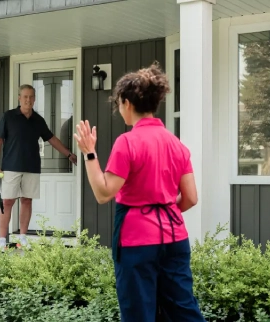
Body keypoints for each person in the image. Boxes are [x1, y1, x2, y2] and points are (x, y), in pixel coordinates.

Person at [74, 62, 205, 322]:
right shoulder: (176, 144)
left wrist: (90, 152)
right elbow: (190, 197)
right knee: (184, 311)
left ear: (126, 102)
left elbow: (103, 193)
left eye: (118, 104)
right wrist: (164, 209)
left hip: (136, 241)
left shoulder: (127, 142)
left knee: (138, 314)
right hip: (175, 237)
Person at [0, 84, 77, 250]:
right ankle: (2, 240)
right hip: (10, 167)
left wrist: (68, 154)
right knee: (7, 202)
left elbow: (51, 139)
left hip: (32, 167)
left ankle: (22, 238)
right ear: (19, 98)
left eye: (31, 97)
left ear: (34, 99)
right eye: (25, 97)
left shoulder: (38, 120)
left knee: (27, 201)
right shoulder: (8, 117)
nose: (28, 100)